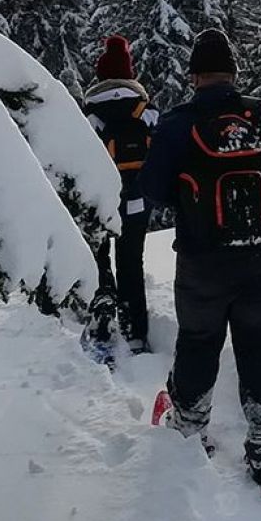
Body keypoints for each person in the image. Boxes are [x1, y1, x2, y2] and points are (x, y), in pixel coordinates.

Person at [139, 29, 261, 488]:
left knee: (199, 341)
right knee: (258, 348)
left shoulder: (179, 124)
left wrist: (188, 195)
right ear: (234, 73)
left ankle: (189, 431)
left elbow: (152, 189)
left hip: (200, 261)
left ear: (195, 75)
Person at [84, 35, 159, 355]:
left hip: (97, 200)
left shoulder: (88, 114)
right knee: (131, 261)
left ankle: (102, 317)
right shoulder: (145, 110)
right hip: (137, 198)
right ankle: (135, 332)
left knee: (98, 259)